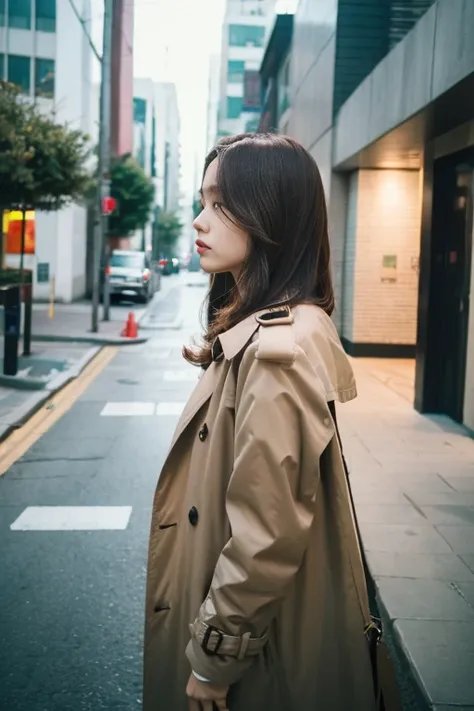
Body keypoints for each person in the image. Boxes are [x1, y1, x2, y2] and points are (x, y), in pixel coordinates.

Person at [143, 133, 377, 711]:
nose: (200, 220)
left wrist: (215, 658)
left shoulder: (278, 350)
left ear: (270, 213)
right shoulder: (269, 328)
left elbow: (265, 533)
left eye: (220, 204)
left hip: (261, 658)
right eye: (201, 200)